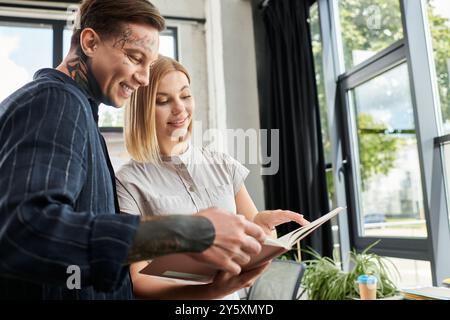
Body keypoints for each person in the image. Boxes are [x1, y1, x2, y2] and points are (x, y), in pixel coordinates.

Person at [0, 0, 266, 300]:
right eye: (134, 57)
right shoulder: (56, 102)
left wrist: (211, 289)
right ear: (90, 42)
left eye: (149, 65)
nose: (144, 78)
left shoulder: (77, 114)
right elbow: (24, 232)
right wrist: (188, 232)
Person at [116, 56, 309, 299]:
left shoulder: (222, 164)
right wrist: (210, 290)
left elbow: (256, 239)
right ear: (141, 111)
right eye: (163, 100)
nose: (179, 109)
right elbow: (138, 279)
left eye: (185, 96)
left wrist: (261, 228)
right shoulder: (128, 181)